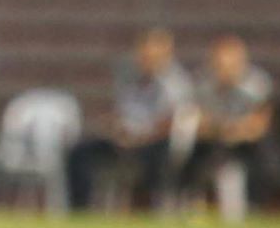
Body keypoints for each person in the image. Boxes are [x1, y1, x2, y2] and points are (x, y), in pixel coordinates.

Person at [76, 28, 195, 212]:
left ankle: (148, 208)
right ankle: (80, 209)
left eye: (153, 54)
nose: (146, 59)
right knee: (81, 152)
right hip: (126, 139)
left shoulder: (175, 83)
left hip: (153, 141)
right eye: (144, 53)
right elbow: (122, 112)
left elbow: (174, 121)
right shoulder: (130, 78)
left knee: (157, 157)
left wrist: (140, 138)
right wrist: (115, 127)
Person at [185, 35, 275, 222]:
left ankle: (254, 205)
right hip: (212, 140)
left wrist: (235, 130)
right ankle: (191, 204)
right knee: (189, 150)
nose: (225, 70)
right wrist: (219, 129)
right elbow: (197, 119)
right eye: (219, 64)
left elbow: (260, 125)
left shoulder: (257, 85)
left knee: (260, 153)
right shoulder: (202, 84)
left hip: (244, 144)